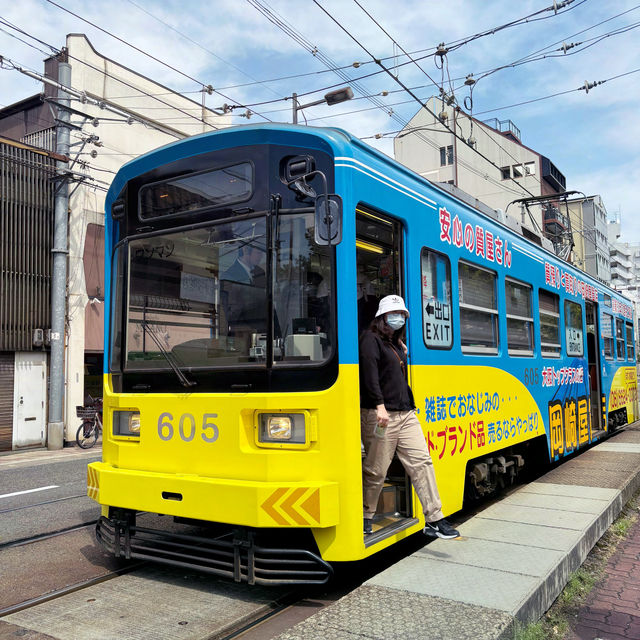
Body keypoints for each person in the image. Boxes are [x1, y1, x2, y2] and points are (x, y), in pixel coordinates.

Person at [359, 294, 459, 540]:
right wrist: (379, 406)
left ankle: (434, 518)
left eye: (402, 315)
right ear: (382, 317)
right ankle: (366, 516)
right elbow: (369, 375)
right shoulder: (370, 340)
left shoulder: (395, 344)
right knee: (376, 469)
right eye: (395, 315)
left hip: (406, 413)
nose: (399, 319)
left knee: (422, 462)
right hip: (381, 414)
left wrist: (401, 351)